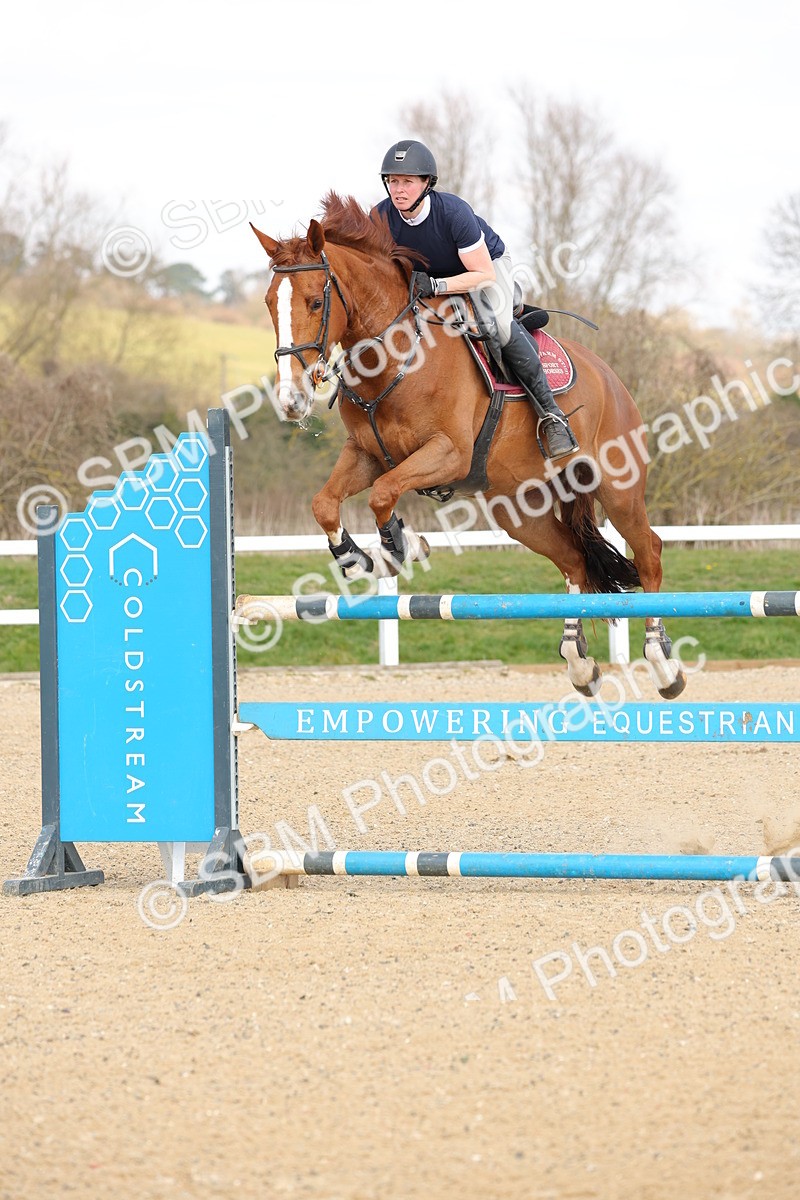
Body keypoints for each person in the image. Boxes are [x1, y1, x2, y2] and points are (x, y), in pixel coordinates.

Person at [371, 139, 578, 461]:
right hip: (431, 278)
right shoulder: (381, 216)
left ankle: (552, 416)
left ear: (426, 184)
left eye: (407, 182)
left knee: (500, 327)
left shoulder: (453, 213)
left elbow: (482, 274)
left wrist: (437, 285)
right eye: (393, 181)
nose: (398, 190)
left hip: (485, 269)